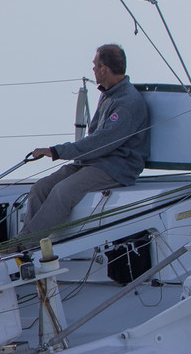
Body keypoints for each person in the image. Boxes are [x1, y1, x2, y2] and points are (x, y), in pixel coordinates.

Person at [19, 43, 150, 240]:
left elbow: (101, 142)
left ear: (103, 68)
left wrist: (57, 151)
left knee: (62, 192)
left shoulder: (128, 103)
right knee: (40, 188)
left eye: (95, 65)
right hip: (94, 162)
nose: (93, 70)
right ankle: (26, 242)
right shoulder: (109, 94)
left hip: (115, 167)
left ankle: (24, 244)